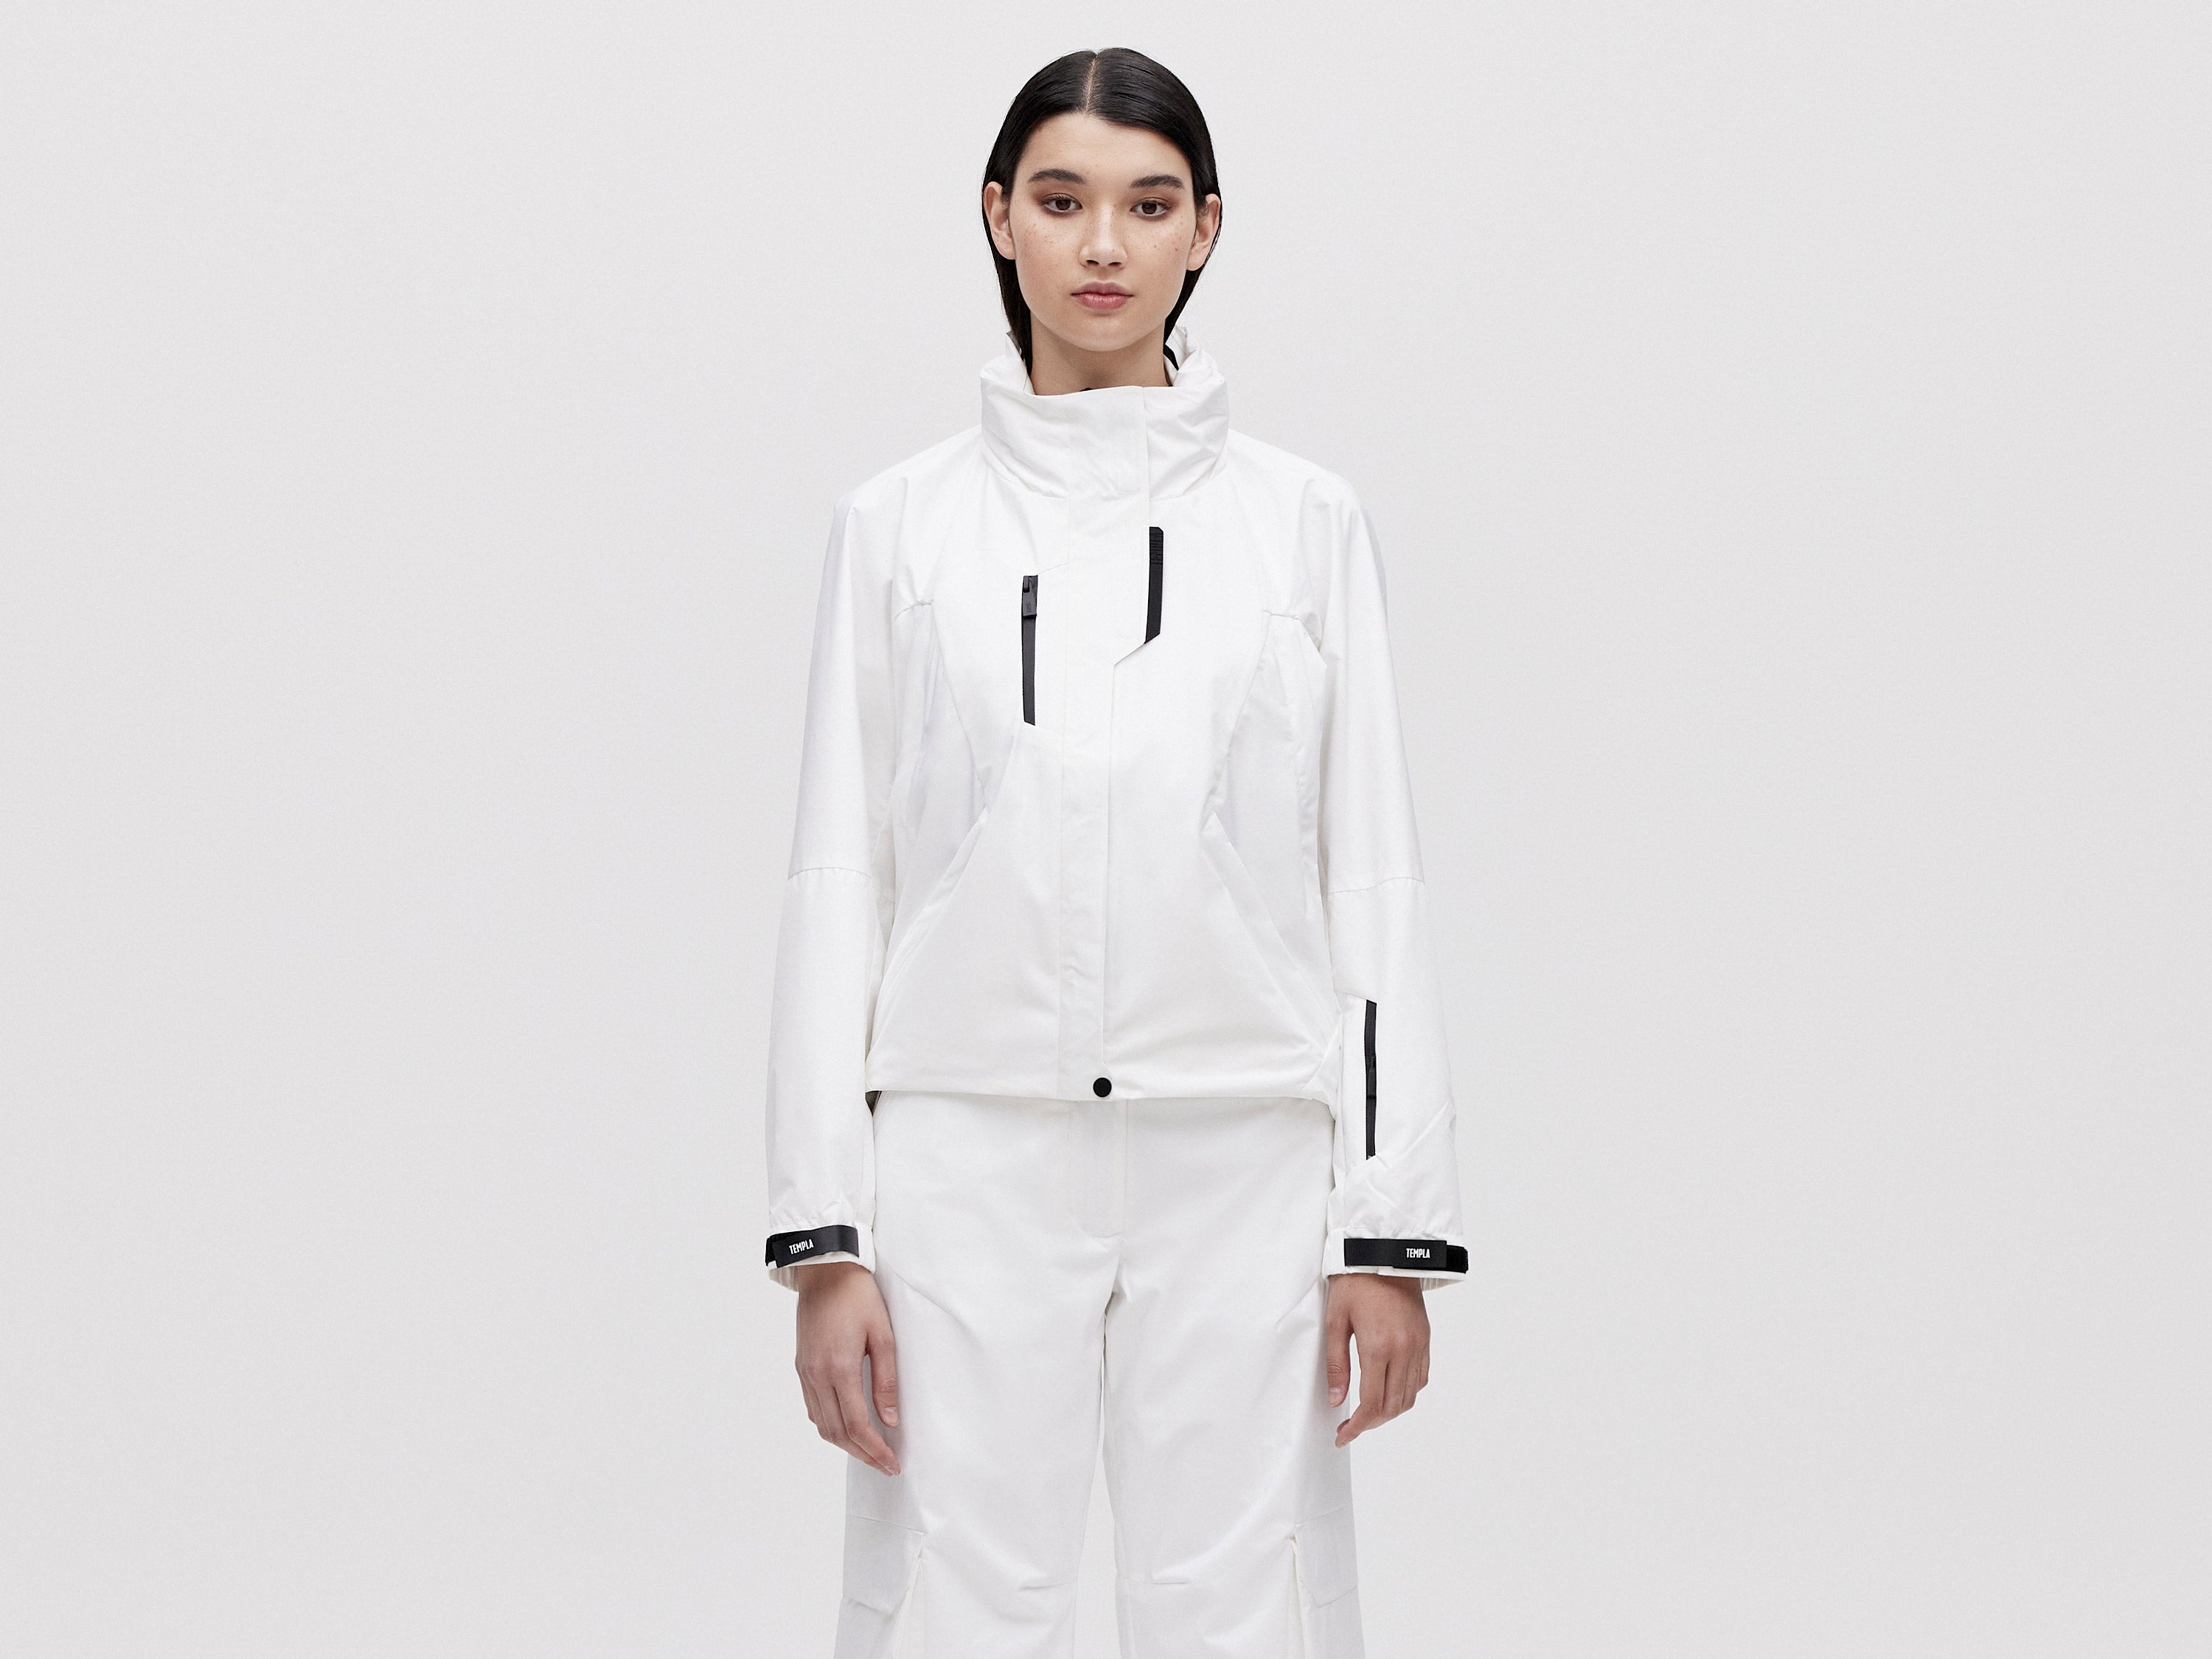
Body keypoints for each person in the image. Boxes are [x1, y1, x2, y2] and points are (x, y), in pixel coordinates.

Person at [763, 46, 1468, 1659]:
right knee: (961, 1602)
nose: (1102, 246)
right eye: (1063, 200)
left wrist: (1387, 1227)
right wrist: (826, 1234)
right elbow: (836, 881)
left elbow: (1372, 879)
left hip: (1243, 1150)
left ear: (1205, 228)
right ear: (996, 216)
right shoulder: (899, 529)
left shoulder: (1303, 526)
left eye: (1149, 207)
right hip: (965, 1150)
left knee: (1236, 1607)